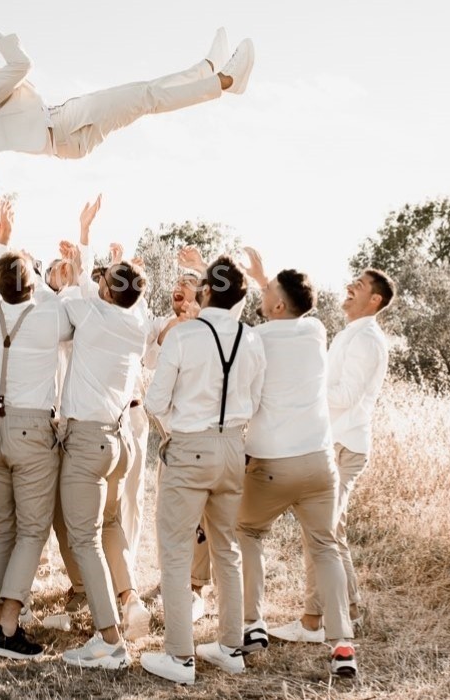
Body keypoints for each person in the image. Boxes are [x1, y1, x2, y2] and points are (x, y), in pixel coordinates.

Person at [140, 257, 266, 685]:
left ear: (206, 291)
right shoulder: (252, 339)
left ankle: (179, 655)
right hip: (234, 447)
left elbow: (156, 401)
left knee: (175, 550)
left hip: (190, 448)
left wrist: (183, 422)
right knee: (225, 548)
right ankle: (231, 647)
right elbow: (257, 394)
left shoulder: (185, 336)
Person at [233, 248, 357, 678]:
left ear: (278, 304)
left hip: (271, 462)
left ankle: (253, 624)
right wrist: (265, 278)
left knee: (247, 532)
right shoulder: (317, 330)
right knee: (323, 546)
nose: (261, 293)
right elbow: (288, 311)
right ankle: (342, 644)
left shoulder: (256, 339)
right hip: (320, 462)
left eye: (266, 291)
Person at [272, 268, 393, 649]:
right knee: (331, 532)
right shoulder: (351, 334)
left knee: (320, 534)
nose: (349, 287)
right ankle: (351, 608)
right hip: (337, 440)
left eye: (359, 286)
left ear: (375, 300)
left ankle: (312, 621)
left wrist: (305, 388)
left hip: (344, 445)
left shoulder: (367, 340)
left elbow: (345, 396)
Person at [0, 205, 74, 660]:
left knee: (2, 527)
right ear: (33, 282)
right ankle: (8, 627)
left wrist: (1, 240)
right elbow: (67, 308)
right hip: (31, 430)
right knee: (32, 529)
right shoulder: (50, 316)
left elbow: (0, 281)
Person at [0, 27, 254, 164]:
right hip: (62, 129)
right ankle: (224, 81)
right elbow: (21, 64)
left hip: (62, 127)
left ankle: (207, 69)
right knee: (144, 96)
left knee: (143, 93)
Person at [53, 246, 154, 669]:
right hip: (120, 441)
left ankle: (109, 641)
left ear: (108, 292)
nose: (95, 281)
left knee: (84, 538)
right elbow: (101, 288)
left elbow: (71, 292)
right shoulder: (137, 323)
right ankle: (127, 600)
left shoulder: (91, 315)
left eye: (103, 279)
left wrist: (84, 242)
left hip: (88, 441)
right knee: (110, 524)